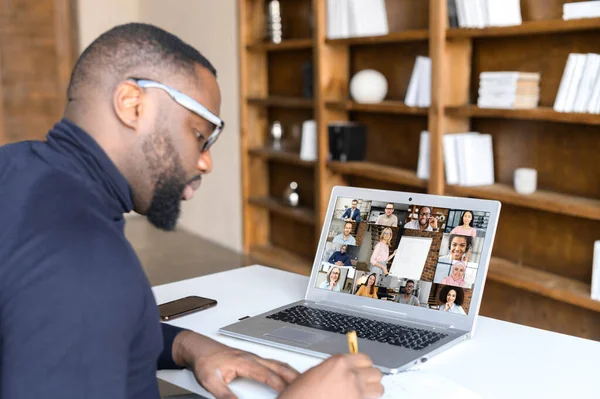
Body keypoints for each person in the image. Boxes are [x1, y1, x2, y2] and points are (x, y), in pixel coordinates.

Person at [0, 23, 383, 399]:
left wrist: (184, 345)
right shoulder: (86, 262)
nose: (205, 163)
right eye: (199, 135)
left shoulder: (16, 170)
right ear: (132, 105)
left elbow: (75, 330)